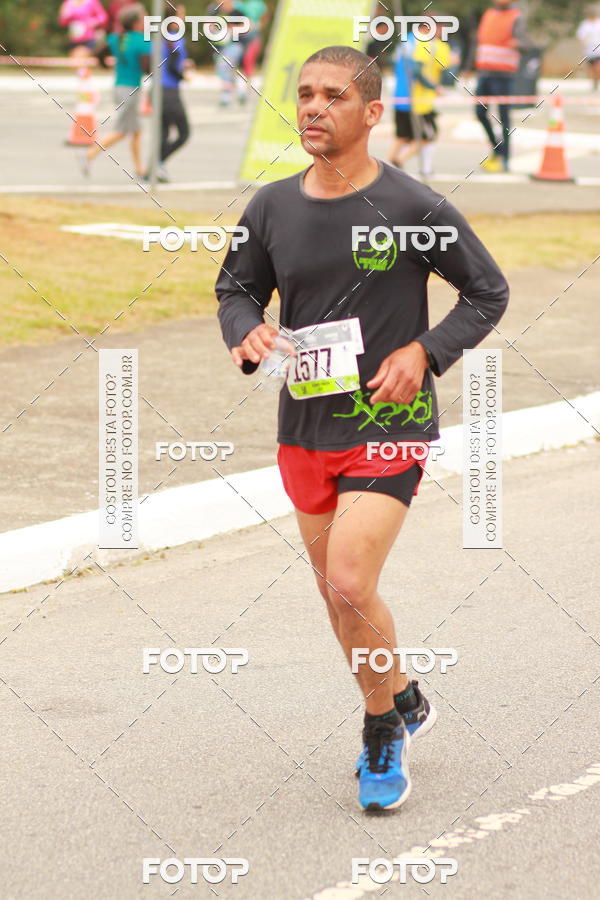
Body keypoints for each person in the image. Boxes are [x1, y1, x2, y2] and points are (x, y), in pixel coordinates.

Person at [216, 45, 509, 810]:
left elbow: (487, 293)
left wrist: (425, 349)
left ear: (372, 112)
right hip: (303, 428)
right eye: (306, 94)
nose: (314, 107)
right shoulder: (271, 207)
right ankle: (403, 694)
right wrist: (244, 330)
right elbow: (235, 289)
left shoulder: (416, 209)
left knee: (350, 579)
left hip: (391, 426)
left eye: (334, 97)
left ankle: (382, 732)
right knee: (336, 598)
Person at [81, 3, 151, 179]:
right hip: (131, 90)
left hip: (119, 86)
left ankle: (139, 169)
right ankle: (89, 155)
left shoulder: (115, 38)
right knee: (122, 131)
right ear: (136, 23)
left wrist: (108, 66)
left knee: (136, 130)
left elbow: (99, 54)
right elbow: (146, 67)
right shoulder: (141, 40)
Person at [393, 18, 451, 177]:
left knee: (403, 136)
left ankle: (393, 164)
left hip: (401, 96)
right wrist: (435, 87)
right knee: (426, 136)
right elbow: (419, 72)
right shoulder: (427, 44)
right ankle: (399, 162)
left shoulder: (406, 41)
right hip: (420, 100)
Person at [474, 0, 526, 173]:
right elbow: (480, 42)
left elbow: (527, 44)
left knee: (504, 118)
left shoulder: (516, 17)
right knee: (480, 112)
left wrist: (519, 45)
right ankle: (498, 149)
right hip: (485, 73)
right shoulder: (488, 15)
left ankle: (505, 159)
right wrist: (468, 67)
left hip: (504, 75)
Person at [157, 4, 192, 182]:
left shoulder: (161, 37)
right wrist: (184, 75)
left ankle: (158, 167)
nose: (183, 18)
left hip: (158, 91)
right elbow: (172, 66)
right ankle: (158, 162)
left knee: (163, 132)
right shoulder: (175, 39)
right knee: (184, 133)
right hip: (170, 91)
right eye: (181, 14)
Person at [207, 0, 246, 106]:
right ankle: (241, 91)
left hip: (234, 46)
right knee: (228, 71)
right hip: (220, 47)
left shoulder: (237, 13)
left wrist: (230, 30)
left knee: (223, 67)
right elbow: (209, 26)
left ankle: (226, 97)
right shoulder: (215, 13)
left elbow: (246, 27)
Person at [237, 0, 269, 83]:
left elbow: (265, 17)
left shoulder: (258, 3)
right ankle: (240, 86)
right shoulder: (237, 3)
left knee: (249, 60)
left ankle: (248, 85)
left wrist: (258, 26)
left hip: (254, 36)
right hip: (239, 37)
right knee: (238, 60)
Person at [577, 6, 600, 91]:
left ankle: (596, 82)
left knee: (598, 67)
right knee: (592, 69)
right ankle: (594, 83)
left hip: (599, 50)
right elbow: (580, 36)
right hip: (589, 51)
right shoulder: (585, 24)